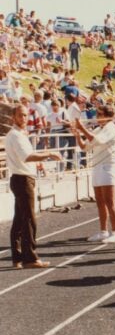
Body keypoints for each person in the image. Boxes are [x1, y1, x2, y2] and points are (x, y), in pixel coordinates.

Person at [7, 105, 62, 269]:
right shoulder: (16, 135)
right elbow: (27, 156)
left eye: (25, 115)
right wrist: (50, 153)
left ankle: (17, 257)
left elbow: (26, 157)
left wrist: (38, 163)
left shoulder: (18, 135)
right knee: (29, 219)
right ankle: (29, 258)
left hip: (21, 177)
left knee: (19, 220)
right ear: (13, 117)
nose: (24, 118)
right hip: (23, 180)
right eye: (20, 115)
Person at [71, 105, 115, 244]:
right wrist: (77, 135)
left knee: (110, 202)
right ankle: (104, 231)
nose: (97, 117)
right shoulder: (99, 129)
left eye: (100, 114)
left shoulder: (111, 127)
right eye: (97, 114)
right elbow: (85, 147)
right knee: (99, 202)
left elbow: (97, 140)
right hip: (97, 167)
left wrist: (82, 128)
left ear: (107, 115)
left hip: (108, 167)